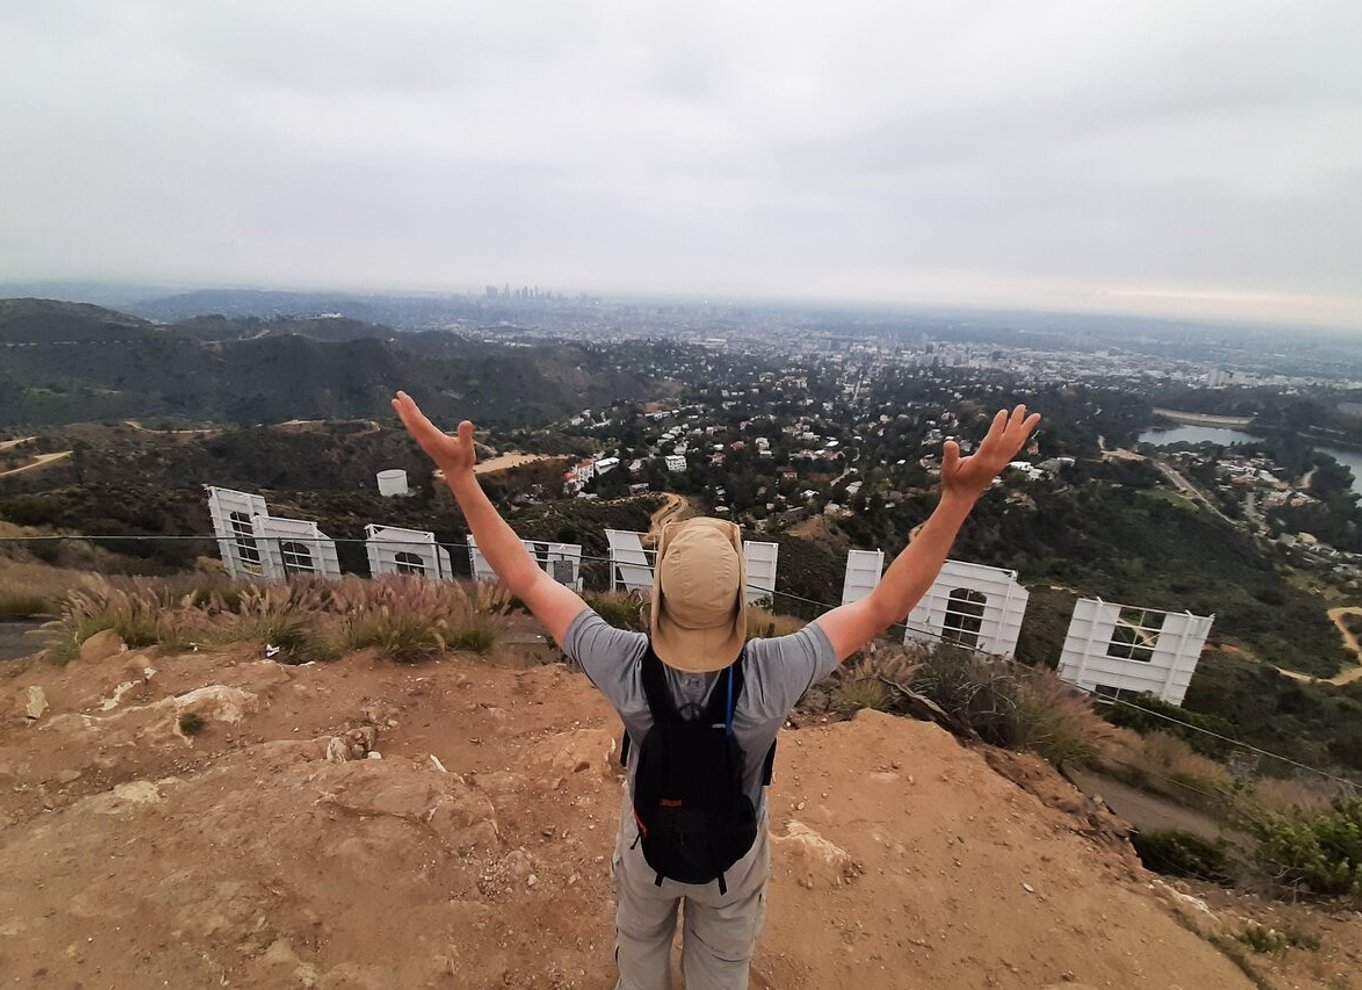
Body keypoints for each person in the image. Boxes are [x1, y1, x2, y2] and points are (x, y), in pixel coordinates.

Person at [391, 391, 1040, 990]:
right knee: (721, 968)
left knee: (639, 943)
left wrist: (462, 478)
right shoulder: (776, 667)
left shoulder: (621, 660)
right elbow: (883, 606)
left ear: (660, 601)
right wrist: (959, 498)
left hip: (648, 846)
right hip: (732, 863)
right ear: (738, 603)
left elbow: (528, 580)